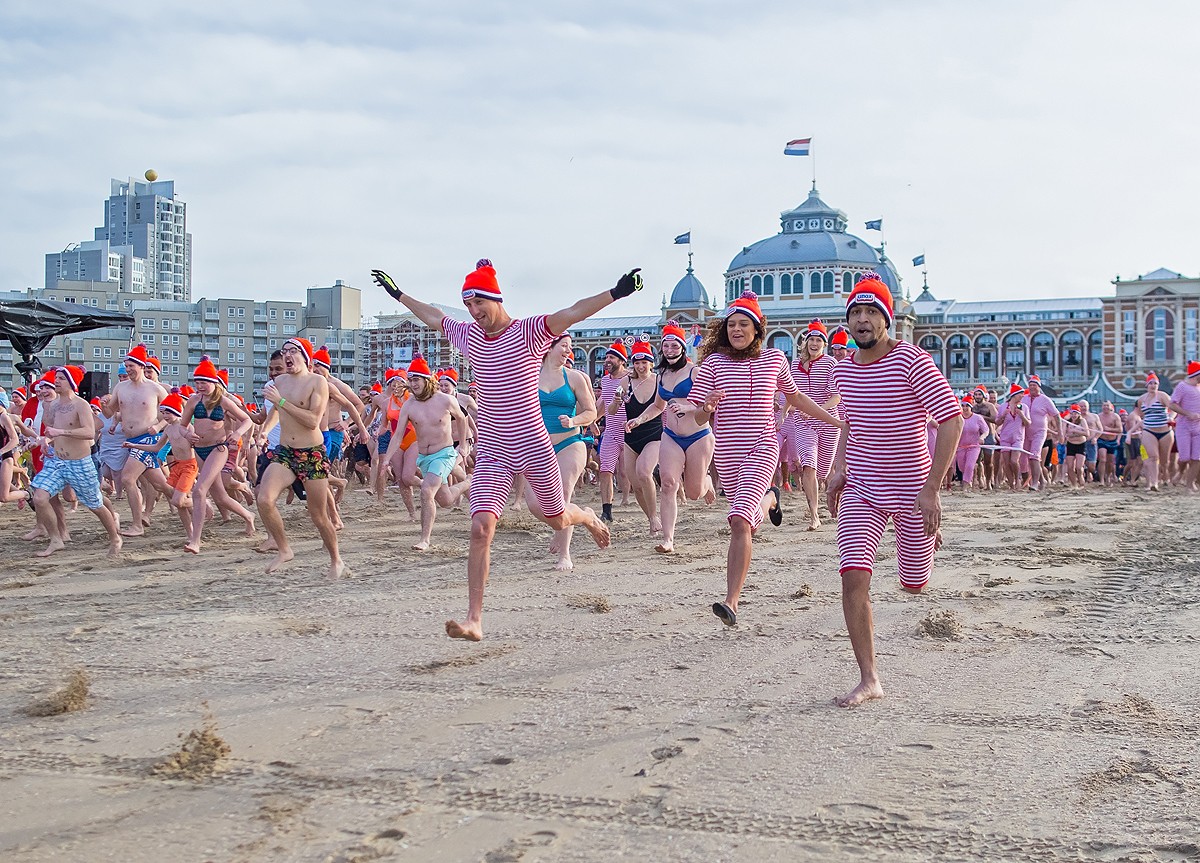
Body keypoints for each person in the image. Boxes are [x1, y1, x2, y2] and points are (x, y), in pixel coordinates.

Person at [371, 258, 639, 641]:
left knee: (555, 517)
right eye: (467, 305)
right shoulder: (469, 336)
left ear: (495, 298)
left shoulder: (529, 332)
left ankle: (588, 517)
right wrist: (398, 294)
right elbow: (433, 317)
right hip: (495, 449)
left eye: (478, 302)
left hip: (533, 444)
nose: (473, 311)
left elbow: (573, 312)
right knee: (480, 528)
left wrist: (616, 292)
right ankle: (474, 620)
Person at [826, 273, 962, 708]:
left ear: (886, 319)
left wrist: (931, 490)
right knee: (853, 578)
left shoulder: (912, 362)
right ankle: (869, 678)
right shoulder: (844, 368)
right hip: (862, 489)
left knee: (914, 585)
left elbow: (953, 421)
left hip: (912, 491)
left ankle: (927, 540)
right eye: (856, 313)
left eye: (871, 312)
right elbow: (850, 422)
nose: (862, 320)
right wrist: (838, 468)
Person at [683, 290, 842, 628]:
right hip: (728, 454)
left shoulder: (774, 360)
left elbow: (796, 397)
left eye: (744, 324)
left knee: (739, 520)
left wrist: (836, 421)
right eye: (731, 325)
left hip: (763, 447)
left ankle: (731, 601)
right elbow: (696, 417)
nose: (736, 330)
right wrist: (706, 408)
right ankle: (771, 498)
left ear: (758, 328)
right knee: (749, 511)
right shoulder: (712, 364)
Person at [256, 337, 346, 578]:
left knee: (318, 515)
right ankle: (284, 549)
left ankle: (336, 559)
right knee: (264, 499)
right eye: (285, 351)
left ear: (306, 357)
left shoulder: (318, 382)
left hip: (312, 453)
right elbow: (275, 412)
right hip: (285, 451)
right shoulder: (280, 381)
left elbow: (312, 421)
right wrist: (264, 431)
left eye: (293, 351)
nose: (287, 355)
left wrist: (281, 401)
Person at [622, 320, 714, 554]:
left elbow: (710, 405)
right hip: (671, 436)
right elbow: (657, 406)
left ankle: (707, 482)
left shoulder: (695, 371)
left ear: (683, 348)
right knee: (669, 484)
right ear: (661, 349)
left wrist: (690, 409)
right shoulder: (661, 374)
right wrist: (639, 419)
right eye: (666, 346)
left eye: (675, 346)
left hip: (697, 435)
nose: (670, 351)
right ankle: (668, 539)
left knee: (694, 493)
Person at [28, 366, 123, 558]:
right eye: (56, 378)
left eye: (61, 378)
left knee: (95, 504)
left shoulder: (81, 404)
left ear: (71, 382)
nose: (56, 382)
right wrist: (46, 440)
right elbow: (51, 429)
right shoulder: (53, 405)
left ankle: (115, 537)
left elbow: (89, 431)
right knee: (39, 497)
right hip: (56, 461)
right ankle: (56, 539)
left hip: (79, 462)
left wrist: (59, 432)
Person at [386, 356, 472, 550]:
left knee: (426, 491)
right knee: (445, 501)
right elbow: (398, 435)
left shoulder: (446, 400)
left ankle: (425, 539)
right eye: (411, 380)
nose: (413, 384)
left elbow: (462, 418)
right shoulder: (410, 405)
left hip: (444, 453)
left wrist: (465, 444)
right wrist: (386, 460)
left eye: (417, 379)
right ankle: (468, 481)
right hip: (424, 458)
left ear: (427, 380)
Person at [179, 358, 256, 553]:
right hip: (200, 450)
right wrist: (188, 433)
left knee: (199, 490)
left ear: (214, 382)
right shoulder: (193, 401)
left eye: (203, 382)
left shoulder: (224, 401)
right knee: (220, 497)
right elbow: (181, 426)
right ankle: (248, 516)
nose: (199, 386)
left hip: (219, 448)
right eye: (197, 382)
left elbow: (247, 420)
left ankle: (195, 540)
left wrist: (238, 434)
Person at [538, 334, 598, 571]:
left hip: (570, 443)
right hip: (539, 447)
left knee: (563, 494)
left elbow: (591, 412)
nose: (568, 351)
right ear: (548, 347)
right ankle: (575, 518)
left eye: (570, 347)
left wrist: (573, 420)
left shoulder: (574, 377)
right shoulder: (529, 376)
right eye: (564, 346)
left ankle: (564, 554)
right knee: (538, 505)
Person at [104, 344, 169, 536]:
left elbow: (175, 413)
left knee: (127, 478)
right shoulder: (120, 387)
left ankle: (137, 525)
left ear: (141, 366)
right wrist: (104, 406)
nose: (128, 369)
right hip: (130, 440)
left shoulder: (155, 389)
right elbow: (111, 412)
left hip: (149, 439)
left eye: (131, 366)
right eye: (126, 366)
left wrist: (158, 426)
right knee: (160, 485)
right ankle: (190, 503)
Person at [125, 391, 197, 535]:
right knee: (179, 503)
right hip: (177, 466)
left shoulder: (187, 427)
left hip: (189, 466)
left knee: (178, 501)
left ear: (176, 412)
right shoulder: (168, 429)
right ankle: (190, 533)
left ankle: (200, 503)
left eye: (167, 413)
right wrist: (134, 446)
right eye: (163, 413)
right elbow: (156, 447)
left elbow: (197, 445)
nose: (164, 416)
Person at [791, 319, 839, 530]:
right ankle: (814, 515)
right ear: (805, 342)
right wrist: (786, 410)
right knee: (808, 465)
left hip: (828, 423)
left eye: (819, 340)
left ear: (824, 344)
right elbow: (790, 394)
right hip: (802, 423)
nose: (815, 343)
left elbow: (837, 396)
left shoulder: (830, 364)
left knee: (821, 473)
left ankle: (826, 495)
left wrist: (817, 411)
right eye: (811, 339)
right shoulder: (794, 365)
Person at [620, 339, 663, 536]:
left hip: (654, 434)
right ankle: (651, 519)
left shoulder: (659, 380)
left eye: (644, 362)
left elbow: (659, 408)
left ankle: (655, 517)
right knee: (636, 485)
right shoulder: (625, 382)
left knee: (645, 472)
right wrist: (614, 401)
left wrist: (639, 420)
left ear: (651, 363)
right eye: (637, 362)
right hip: (631, 437)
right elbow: (612, 409)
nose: (640, 366)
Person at [596, 340, 629, 523]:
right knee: (605, 470)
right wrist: (590, 420)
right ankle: (606, 511)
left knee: (628, 472)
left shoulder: (630, 378)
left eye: (612, 357)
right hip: (610, 432)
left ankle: (632, 500)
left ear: (621, 360)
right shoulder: (605, 381)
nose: (607, 360)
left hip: (630, 433)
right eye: (607, 357)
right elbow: (602, 406)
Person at [1134, 372, 1173, 491]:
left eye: (1155, 383)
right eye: (1150, 383)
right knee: (1153, 457)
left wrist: (1171, 417)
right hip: (1149, 430)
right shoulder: (1142, 399)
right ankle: (1154, 483)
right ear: (1147, 385)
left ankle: (1165, 477)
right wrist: (1139, 425)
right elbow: (1140, 414)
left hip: (1165, 430)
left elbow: (1173, 408)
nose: (1153, 385)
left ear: (1158, 385)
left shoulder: (1162, 396)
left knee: (1164, 461)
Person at [1021, 376, 1059, 491]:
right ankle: (1042, 481)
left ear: (1039, 387)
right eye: (1030, 385)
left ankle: (1035, 483)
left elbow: (1056, 416)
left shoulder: (1045, 400)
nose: (1032, 387)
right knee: (1027, 458)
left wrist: (1060, 433)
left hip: (1040, 432)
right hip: (1026, 432)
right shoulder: (1023, 399)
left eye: (1035, 385)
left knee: (1034, 456)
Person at [1169, 361, 1200, 493]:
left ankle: (1190, 484)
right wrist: (1188, 414)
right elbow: (1172, 405)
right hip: (1184, 426)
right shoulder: (1182, 386)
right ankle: (1180, 472)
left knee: (1197, 457)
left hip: (1198, 428)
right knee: (1185, 457)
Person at [996, 384, 1030, 490]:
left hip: (1018, 437)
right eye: (1021, 394)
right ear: (1014, 395)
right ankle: (1011, 483)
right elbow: (997, 422)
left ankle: (1018, 479)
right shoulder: (1003, 407)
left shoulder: (1024, 407)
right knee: (1006, 462)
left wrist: (1021, 415)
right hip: (1005, 437)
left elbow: (1028, 423)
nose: (1022, 396)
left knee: (1014, 461)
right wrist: (1003, 415)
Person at [956, 397, 988, 491]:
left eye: (967, 406)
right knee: (962, 467)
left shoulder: (978, 418)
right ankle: (969, 479)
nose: (965, 408)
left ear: (971, 407)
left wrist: (982, 437)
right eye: (963, 406)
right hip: (961, 446)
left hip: (974, 446)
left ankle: (965, 485)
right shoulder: (958, 418)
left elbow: (986, 430)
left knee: (969, 465)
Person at [1096, 401, 1124, 486]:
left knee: (1110, 461)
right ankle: (1101, 480)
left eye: (1107, 405)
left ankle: (1108, 476)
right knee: (1103, 459)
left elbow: (1120, 430)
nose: (1105, 407)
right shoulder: (1099, 416)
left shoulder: (1115, 416)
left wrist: (1109, 429)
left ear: (1110, 406)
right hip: (1101, 440)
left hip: (1112, 441)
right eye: (1104, 405)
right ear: (1102, 407)